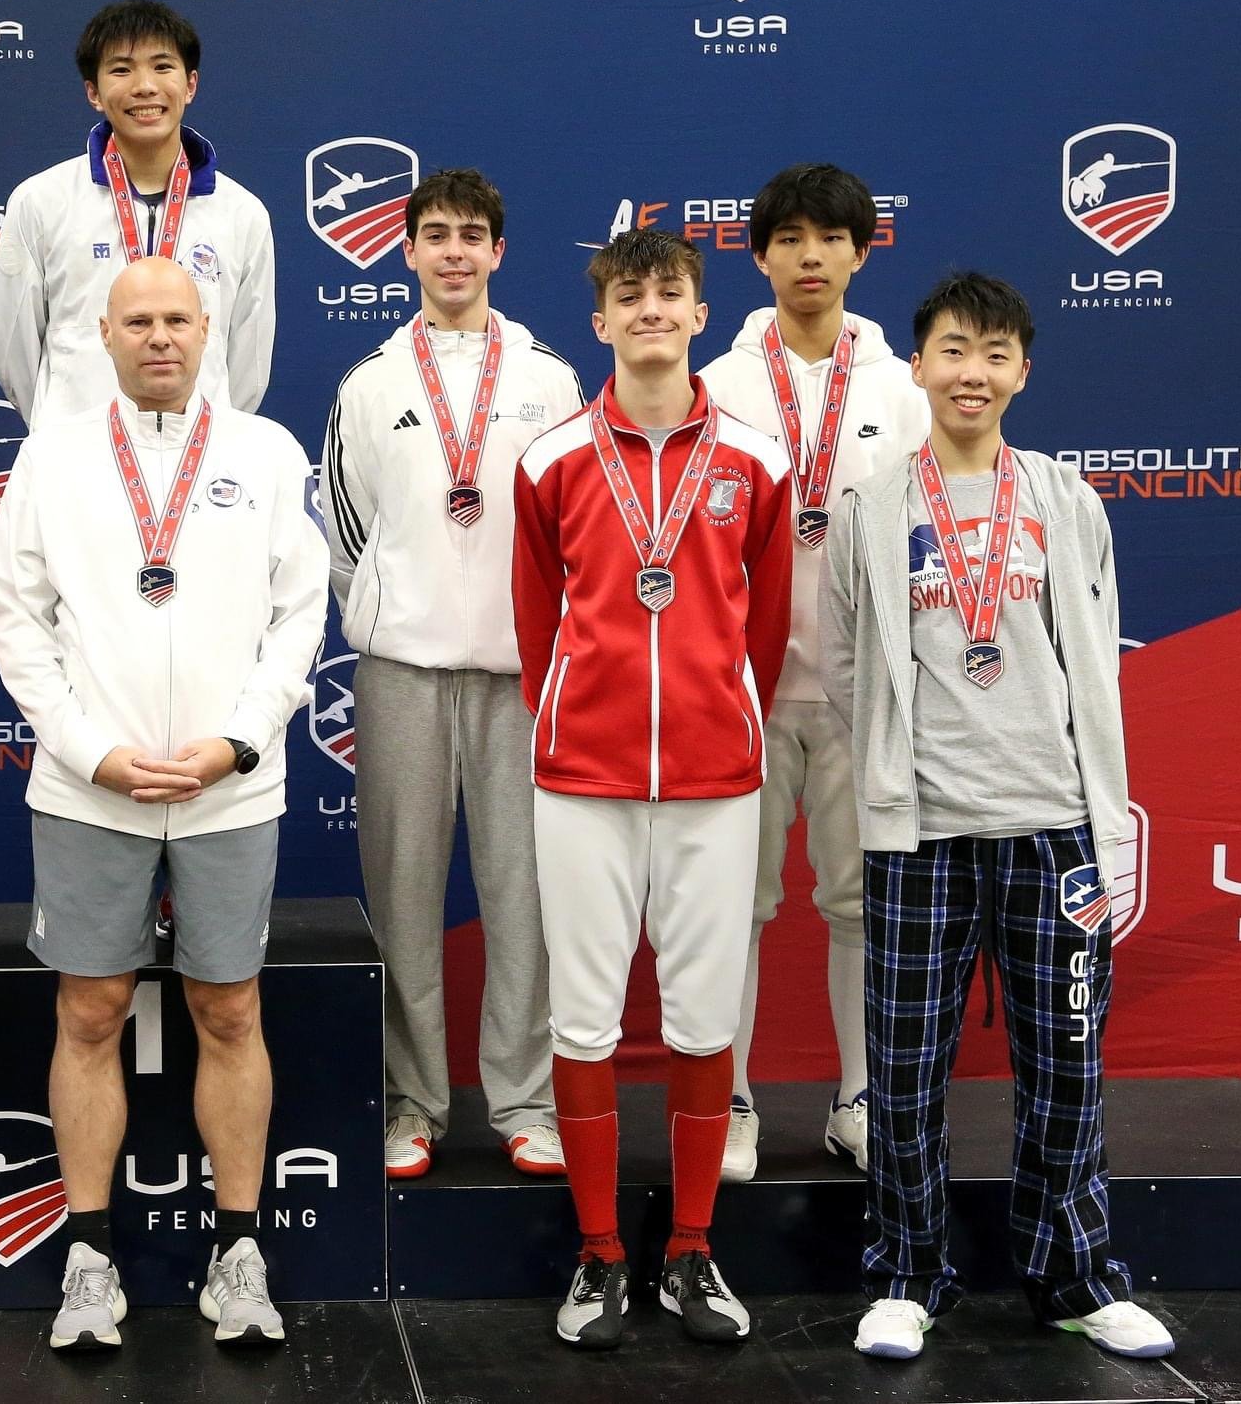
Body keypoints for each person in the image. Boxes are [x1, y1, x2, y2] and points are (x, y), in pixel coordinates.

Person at [822, 272, 1174, 1363]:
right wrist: (890, 772)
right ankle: (907, 1275)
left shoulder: (1065, 501)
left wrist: (1101, 818)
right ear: (916, 365)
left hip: (1049, 821)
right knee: (905, 1066)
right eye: (950, 351)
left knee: (1063, 1064)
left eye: (992, 354)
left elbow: (1093, 666)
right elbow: (844, 664)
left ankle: (1072, 1275)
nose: (969, 372)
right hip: (917, 829)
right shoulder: (870, 509)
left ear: (1021, 370)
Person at [0, 256, 326, 1350]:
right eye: (137, 321)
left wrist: (236, 740)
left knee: (228, 1010)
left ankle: (238, 1252)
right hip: (93, 791)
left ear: (207, 324)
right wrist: (92, 752)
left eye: (177, 317)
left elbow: (298, 614)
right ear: (102, 332)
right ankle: (88, 1257)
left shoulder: (264, 452)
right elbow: (16, 619)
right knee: (88, 1011)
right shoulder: (53, 455)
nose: (159, 337)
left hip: (231, 787)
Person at [512, 229, 792, 1350]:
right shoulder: (550, 460)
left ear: (695, 313)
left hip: (717, 782)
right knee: (580, 1019)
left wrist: (725, 714)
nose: (647, 311)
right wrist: (571, 717)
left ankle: (688, 1248)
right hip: (580, 776)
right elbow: (538, 620)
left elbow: (760, 628)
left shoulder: (754, 462)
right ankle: (595, 1255)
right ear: (599, 322)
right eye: (626, 297)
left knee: (700, 1019)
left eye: (666, 293)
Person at [319, 168, 582, 1181]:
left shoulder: (549, 378)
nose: (454, 252)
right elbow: (347, 535)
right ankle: (411, 1104)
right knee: (401, 894)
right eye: (435, 235)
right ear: (408, 251)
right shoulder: (371, 381)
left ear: (498, 251)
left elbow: (571, 528)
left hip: (521, 676)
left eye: (472, 235)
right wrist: (395, 609)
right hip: (402, 673)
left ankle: (523, 1101)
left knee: (523, 895)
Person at [695, 163, 930, 1180]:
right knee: (730, 908)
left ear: (859, 251)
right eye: (786, 239)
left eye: (828, 238)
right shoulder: (715, 382)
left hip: (859, 692)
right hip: (740, 694)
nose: (807, 257)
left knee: (857, 904)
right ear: (758, 255)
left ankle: (856, 1099)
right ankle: (733, 1102)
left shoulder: (899, 389)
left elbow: (931, 536)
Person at [0, 0, 274, 430]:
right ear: (93, 93)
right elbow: (14, 350)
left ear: (190, 84)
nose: (144, 86)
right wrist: (63, 428)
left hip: (201, 460)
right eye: (121, 70)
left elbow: (247, 364)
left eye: (162, 67)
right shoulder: (41, 202)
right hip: (77, 462)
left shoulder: (241, 213)